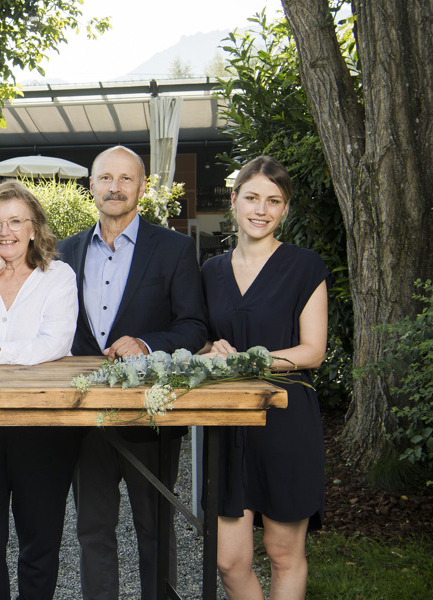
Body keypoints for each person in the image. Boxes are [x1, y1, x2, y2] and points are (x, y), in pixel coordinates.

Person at [56, 145, 207, 600]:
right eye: (105, 178)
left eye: (126, 179)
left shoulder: (175, 249)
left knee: (155, 528)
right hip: (89, 416)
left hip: (151, 414)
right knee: (93, 530)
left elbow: (194, 326)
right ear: (91, 187)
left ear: (142, 187)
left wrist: (145, 343)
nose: (115, 187)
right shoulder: (66, 252)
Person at [201, 156, 328, 599]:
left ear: (285, 210)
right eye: (252, 197)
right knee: (229, 561)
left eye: (274, 201)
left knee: (282, 553)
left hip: (285, 419)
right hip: (227, 422)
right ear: (234, 201)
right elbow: (202, 340)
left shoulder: (305, 266)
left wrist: (251, 362)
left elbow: (313, 350)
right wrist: (209, 350)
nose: (261, 209)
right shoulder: (210, 271)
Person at [0, 180, 80, 599]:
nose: (6, 232)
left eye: (16, 222)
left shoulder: (57, 276)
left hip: (42, 424)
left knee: (40, 543)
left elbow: (54, 343)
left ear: (34, 228)